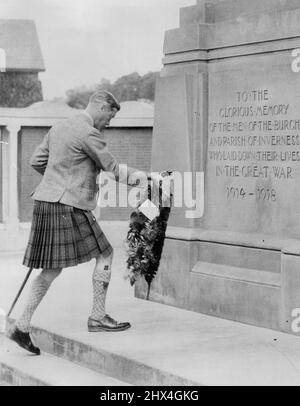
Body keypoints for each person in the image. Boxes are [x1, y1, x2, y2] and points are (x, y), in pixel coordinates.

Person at [8, 90, 155, 355]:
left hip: (46, 201)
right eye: (109, 117)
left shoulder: (60, 126)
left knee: (52, 268)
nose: (108, 123)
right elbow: (113, 169)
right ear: (100, 106)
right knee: (106, 253)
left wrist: (58, 179)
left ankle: (21, 325)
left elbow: (36, 161)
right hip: (68, 204)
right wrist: (147, 178)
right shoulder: (88, 132)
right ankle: (97, 317)